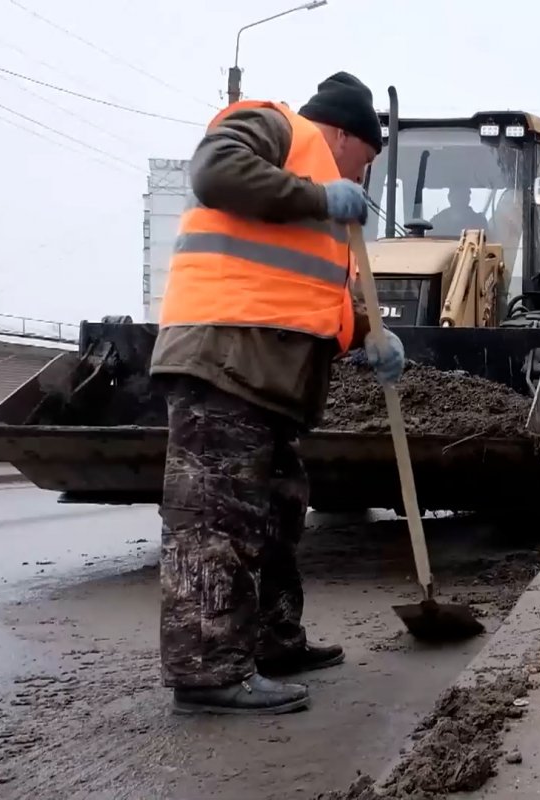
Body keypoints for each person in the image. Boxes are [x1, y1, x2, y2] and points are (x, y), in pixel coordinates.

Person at [150, 72, 405, 716]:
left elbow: (301, 298)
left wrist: (366, 335)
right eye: (368, 160)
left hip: (271, 377)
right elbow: (214, 172)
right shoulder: (276, 127)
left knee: (278, 513)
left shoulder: (324, 210)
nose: (365, 177)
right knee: (216, 517)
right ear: (345, 135)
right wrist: (317, 194)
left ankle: (272, 640)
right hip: (222, 355)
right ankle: (208, 671)